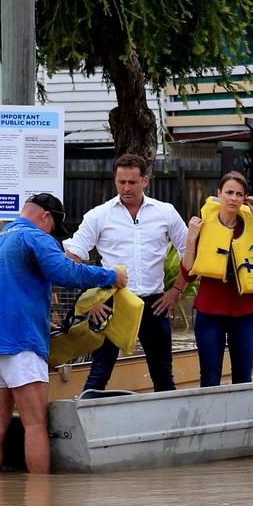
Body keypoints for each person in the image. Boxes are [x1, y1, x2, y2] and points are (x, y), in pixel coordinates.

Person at [0, 193, 127, 474]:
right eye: (54, 227)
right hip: (20, 343)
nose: (53, 234)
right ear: (45, 217)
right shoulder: (36, 238)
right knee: (34, 423)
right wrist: (111, 276)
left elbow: (12, 288)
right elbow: (66, 272)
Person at [63, 153, 189, 393]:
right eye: (121, 182)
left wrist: (177, 290)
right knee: (99, 372)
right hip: (112, 303)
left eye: (132, 182)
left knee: (163, 374)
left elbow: (190, 253)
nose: (126, 188)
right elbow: (72, 258)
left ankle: (170, 426)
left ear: (145, 181)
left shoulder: (166, 212)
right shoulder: (99, 215)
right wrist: (90, 300)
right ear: (115, 180)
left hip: (154, 303)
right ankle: (89, 422)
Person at [181, 171, 253, 387]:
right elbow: (188, 274)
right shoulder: (202, 226)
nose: (234, 198)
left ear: (244, 198)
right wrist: (191, 238)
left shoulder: (251, 226)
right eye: (229, 192)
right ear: (219, 194)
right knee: (210, 378)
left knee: (243, 377)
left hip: (245, 314)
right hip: (210, 314)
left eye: (239, 194)